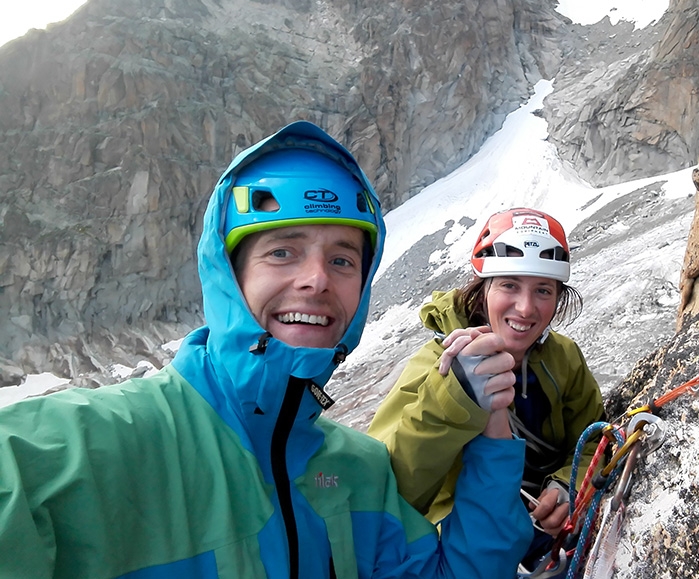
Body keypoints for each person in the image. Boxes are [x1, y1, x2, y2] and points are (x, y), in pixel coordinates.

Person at [0, 121, 532, 579]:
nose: (317, 280)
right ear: (229, 276)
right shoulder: (74, 450)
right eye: (282, 252)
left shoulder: (357, 470)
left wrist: (492, 430)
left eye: (343, 260)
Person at [367, 208, 605, 572]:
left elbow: (593, 439)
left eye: (543, 290)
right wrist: (454, 397)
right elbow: (388, 490)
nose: (525, 308)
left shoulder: (564, 358)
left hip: (545, 538)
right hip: (465, 544)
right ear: (483, 291)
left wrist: (566, 488)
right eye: (509, 285)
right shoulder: (437, 366)